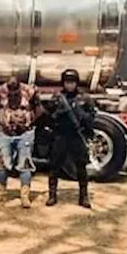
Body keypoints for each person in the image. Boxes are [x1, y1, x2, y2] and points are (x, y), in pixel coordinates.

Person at [47, 68, 96, 208]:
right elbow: (49, 117)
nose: (69, 85)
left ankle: (83, 197)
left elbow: (92, 118)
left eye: (72, 82)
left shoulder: (84, 98)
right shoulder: (57, 97)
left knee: (81, 167)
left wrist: (81, 114)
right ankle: (52, 195)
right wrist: (58, 113)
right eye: (67, 82)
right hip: (61, 135)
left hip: (77, 135)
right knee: (54, 166)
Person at [0, 76, 40, 208]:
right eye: (10, 93)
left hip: (25, 133)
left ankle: (24, 195)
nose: (12, 96)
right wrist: (3, 120)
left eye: (15, 93)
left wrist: (28, 122)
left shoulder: (30, 92)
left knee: (25, 163)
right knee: (2, 163)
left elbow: (39, 109)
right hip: (5, 133)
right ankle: (0, 192)